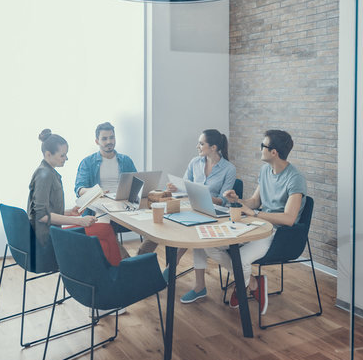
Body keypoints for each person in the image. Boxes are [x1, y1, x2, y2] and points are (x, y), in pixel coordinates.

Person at [205, 129, 307, 315]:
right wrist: (237, 200)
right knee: (211, 246)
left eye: (263, 146)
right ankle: (252, 282)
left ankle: (243, 287)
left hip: (278, 234)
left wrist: (255, 214)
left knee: (242, 259)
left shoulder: (295, 179)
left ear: (273, 152)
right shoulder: (265, 170)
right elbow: (254, 202)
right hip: (257, 224)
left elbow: (289, 219)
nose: (260, 149)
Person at [140, 129, 236, 303]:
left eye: (201, 143)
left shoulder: (229, 169)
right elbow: (185, 185)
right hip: (193, 208)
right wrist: (175, 188)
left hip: (216, 214)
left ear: (213, 147)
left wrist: (204, 196)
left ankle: (186, 279)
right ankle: (191, 282)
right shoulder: (195, 162)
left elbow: (224, 200)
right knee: (181, 228)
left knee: (196, 233)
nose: (197, 146)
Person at [28, 129, 121, 267]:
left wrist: (68, 212)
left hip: (52, 232)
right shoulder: (45, 175)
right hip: (47, 239)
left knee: (103, 244)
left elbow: (47, 210)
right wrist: (78, 220)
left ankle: (112, 279)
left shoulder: (48, 172)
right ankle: (119, 277)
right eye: (62, 155)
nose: (66, 158)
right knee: (105, 232)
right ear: (48, 154)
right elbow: (41, 216)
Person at [74, 121, 137, 198]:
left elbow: (137, 185)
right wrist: (95, 192)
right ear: (97, 141)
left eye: (111, 137)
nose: (109, 141)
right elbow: (79, 190)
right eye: (104, 139)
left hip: (122, 204)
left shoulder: (126, 161)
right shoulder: (87, 162)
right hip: (98, 204)